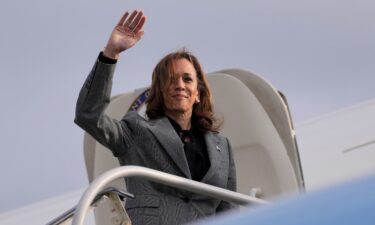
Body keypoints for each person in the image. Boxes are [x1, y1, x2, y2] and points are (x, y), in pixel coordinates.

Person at [75, 10, 237, 225]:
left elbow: (230, 211)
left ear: (198, 92)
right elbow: (88, 115)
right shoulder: (135, 131)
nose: (180, 85)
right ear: (159, 90)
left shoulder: (222, 147)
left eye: (187, 79)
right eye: (171, 79)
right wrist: (111, 53)